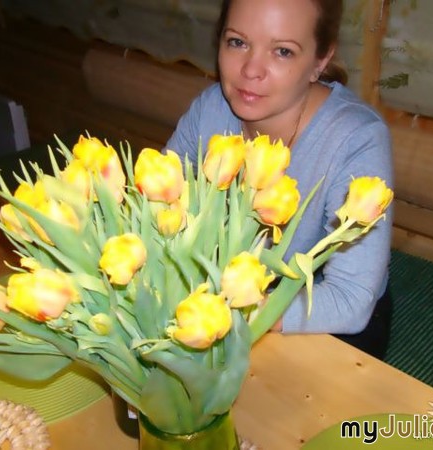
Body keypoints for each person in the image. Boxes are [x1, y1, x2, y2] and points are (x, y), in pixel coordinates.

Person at [164, 0, 394, 359]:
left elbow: (350, 300)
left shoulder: (356, 139)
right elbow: (157, 212)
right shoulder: (211, 109)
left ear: (320, 61)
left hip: (317, 315)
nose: (250, 70)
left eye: (283, 51)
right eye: (238, 42)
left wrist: (229, 311)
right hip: (216, 294)